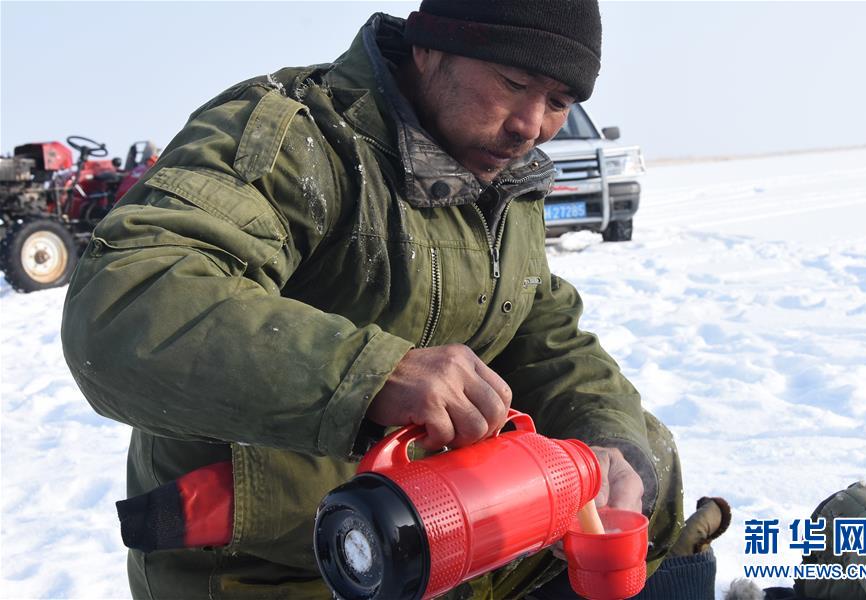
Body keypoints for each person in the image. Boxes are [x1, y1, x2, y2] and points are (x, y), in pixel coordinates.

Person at [61, 1, 689, 598]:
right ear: (430, 48)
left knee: (644, 465)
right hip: (284, 565)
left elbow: (542, 330)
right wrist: (370, 374)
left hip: (450, 533)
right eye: (514, 82)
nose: (531, 126)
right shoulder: (299, 140)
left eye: (558, 102)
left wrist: (610, 443)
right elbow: (125, 306)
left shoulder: (500, 175)